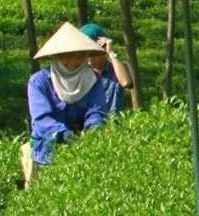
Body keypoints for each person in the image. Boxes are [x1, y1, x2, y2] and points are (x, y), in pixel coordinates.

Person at [27, 22, 132, 165]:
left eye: (79, 57)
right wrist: (66, 136)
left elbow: (96, 112)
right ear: (57, 57)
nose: (73, 62)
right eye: (68, 57)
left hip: (83, 152)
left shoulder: (92, 79)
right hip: (47, 152)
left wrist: (91, 134)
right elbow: (42, 119)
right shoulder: (39, 82)